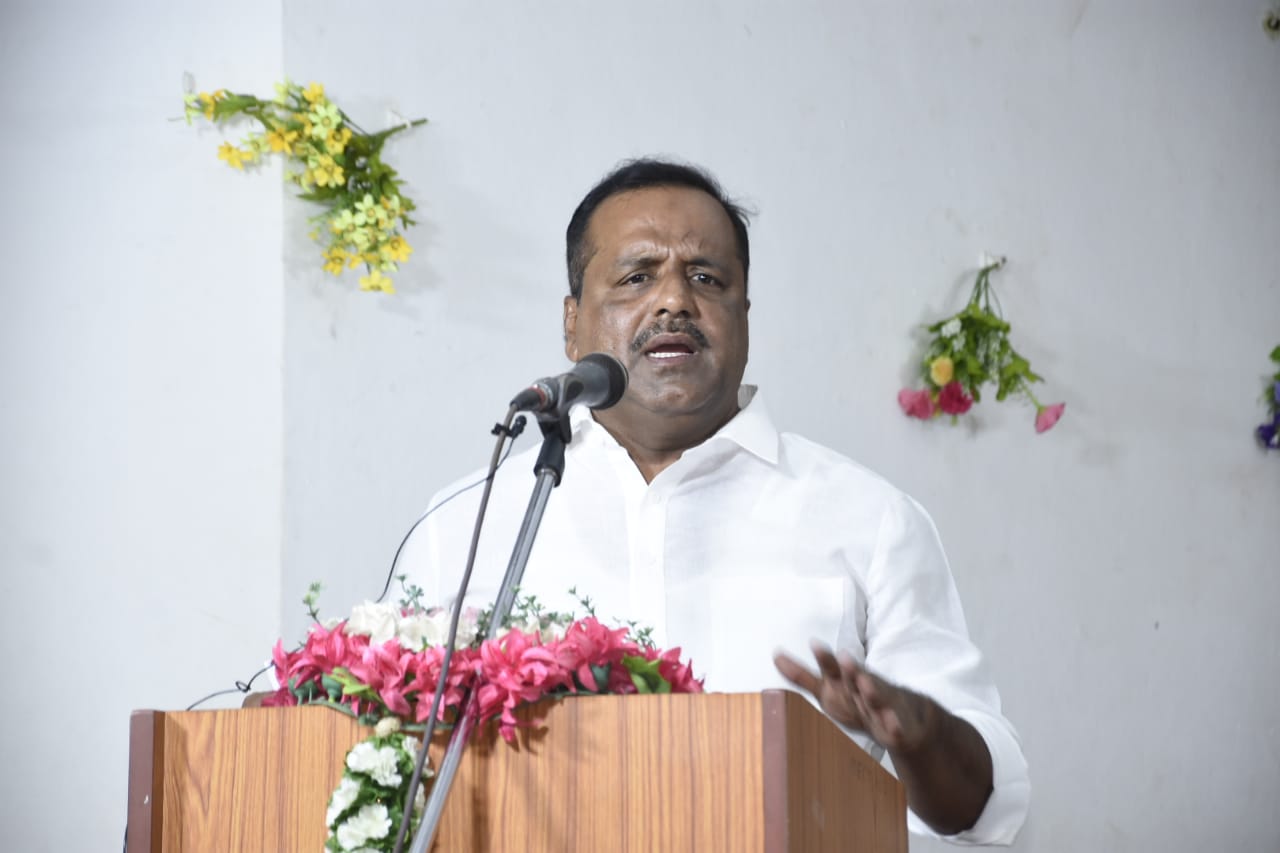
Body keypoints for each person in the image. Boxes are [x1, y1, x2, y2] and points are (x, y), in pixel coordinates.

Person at [403, 158, 1029, 844]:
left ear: (744, 316)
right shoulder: (466, 524)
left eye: (706, 278)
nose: (674, 300)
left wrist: (924, 735)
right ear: (572, 322)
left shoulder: (869, 520)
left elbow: (982, 806)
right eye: (637, 276)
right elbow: (390, 768)